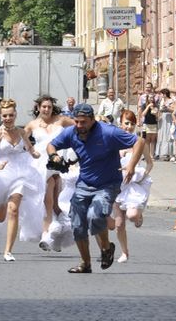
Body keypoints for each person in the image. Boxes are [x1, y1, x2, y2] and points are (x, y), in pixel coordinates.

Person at [47, 103, 144, 273]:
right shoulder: (72, 133)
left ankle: (106, 249)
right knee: (77, 224)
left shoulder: (108, 132)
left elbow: (139, 142)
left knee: (95, 215)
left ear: (92, 120)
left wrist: (131, 165)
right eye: (76, 121)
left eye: (83, 122)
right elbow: (51, 145)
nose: (79, 126)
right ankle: (85, 263)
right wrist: (54, 156)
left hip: (108, 184)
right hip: (84, 184)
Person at [0, 99, 43, 261]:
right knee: (0, 216)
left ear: (15, 115)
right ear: (1, 116)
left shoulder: (22, 132)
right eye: (5, 116)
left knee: (13, 210)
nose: (8, 118)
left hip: (21, 174)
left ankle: (8, 251)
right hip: (1, 174)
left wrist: (35, 154)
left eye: (11, 115)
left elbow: (30, 148)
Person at [24, 95, 74, 252]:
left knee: (55, 202)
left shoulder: (61, 120)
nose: (46, 109)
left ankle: (57, 229)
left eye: (49, 107)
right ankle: (47, 234)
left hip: (57, 163)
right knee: (48, 200)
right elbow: (20, 138)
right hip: (40, 165)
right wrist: (31, 150)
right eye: (44, 106)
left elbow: (80, 127)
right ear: (38, 107)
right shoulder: (32, 125)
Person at [112, 110, 153, 263]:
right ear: (120, 124)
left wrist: (143, 175)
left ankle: (139, 215)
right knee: (119, 223)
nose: (129, 127)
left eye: (132, 124)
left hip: (133, 184)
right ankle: (124, 252)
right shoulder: (114, 142)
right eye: (126, 123)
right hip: (117, 184)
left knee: (132, 215)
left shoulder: (140, 142)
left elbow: (149, 162)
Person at [155, 89, 175, 161]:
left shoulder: (171, 101)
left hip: (169, 118)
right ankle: (163, 153)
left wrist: (167, 108)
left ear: (165, 94)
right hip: (162, 119)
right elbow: (160, 110)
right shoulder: (161, 101)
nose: (160, 95)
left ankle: (171, 153)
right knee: (162, 135)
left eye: (161, 94)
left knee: (168, 135)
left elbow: (174, 110)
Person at [141, 96, 159, 162]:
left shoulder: (156, 105)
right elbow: (143, 114)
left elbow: (157, 115)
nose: (151, 99)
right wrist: (148, 106)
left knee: (153, 140)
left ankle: (152, 155)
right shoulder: (144, 105)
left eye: (152, 98)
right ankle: (147, 155)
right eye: (150, 98)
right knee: (147, 140)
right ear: (147, 98)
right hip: (147, 124)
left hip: (154, 124)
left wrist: (154, 111)